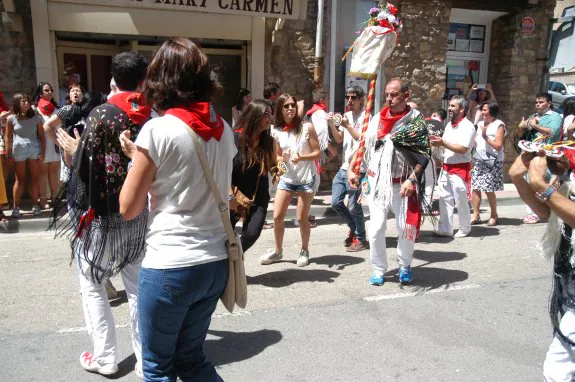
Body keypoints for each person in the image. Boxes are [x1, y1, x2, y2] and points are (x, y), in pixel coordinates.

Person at [119, 37, 233, 381]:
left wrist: (135, 162)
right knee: (193, 360)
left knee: (157, 368)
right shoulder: (224, 129)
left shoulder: (157, 130)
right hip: (214, 260)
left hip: (171, 263)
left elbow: (128, 207)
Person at [52, 51, 150, 378]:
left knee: (92, 282)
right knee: (136, 286)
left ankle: (105, 356)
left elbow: (85, 166)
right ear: (142, 80)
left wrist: (72, 151)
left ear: (114, 78)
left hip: (103, 217)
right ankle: (144, 357)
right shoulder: (150, 116)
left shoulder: (102, 114)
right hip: (137, 212)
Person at [348, 78, 431, 286]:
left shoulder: (416, 121)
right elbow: (364, 145)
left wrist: (412, 180)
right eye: (387, 94)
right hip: (377, 182)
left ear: (406, 95)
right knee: (375, 228)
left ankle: (405, 265)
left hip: (404, 183)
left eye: (394, 94)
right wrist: (352, 168)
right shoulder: (377, 119)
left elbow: (424, 155)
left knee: (405, 227)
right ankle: (378, 268)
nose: (389, 98)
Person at [508, 148, 575, 381]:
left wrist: (540, 185)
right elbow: (549, 212)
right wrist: (520, 178)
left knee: (558, 371)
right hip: (569, 287)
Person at [260, 93, 321, 267]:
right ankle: (278, 251)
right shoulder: (276, 131)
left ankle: (304, 250)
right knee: (278, 217)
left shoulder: (307, 127)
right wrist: (282, 161)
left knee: (302, 219)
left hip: (305, 179)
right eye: (286, 106)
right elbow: (277, 158)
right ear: (280, 109)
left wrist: (301, 157)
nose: (290, 109)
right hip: (287, 179)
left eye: (292, 105)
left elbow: (317, 153)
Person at [230, 100, 277, 251]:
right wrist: (230, 196)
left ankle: (233, 262)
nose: (270, 118)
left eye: (271, 114)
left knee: (251, 234)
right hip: (234, 195)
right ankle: (228, 270)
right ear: (254, 115)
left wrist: (278, 168)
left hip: (258, 196)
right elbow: (224, 169)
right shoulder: (234, 139)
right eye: (266, 114)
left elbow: (274, 165)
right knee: (223, 235)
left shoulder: (269, 142)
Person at [328, 86, 369, 252]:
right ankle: (354, 227)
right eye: (347, 97)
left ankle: (361, 238)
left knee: (354, 206)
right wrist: (332, 125)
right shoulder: (347, 116)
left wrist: (348, 126)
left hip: (359, 168)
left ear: (361, 99)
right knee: (336, 202)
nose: (349, 101)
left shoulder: (367, 117)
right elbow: (339, 139)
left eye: (353, 97)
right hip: (344, 167)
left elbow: (363, 140)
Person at [432, 95, 475, 238]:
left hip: (460, 168)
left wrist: (442, 143)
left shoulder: (468, 126)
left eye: (453, 106)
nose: (449, 109)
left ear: (462, 109)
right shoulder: (449, 125)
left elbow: (463, 148)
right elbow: (446, 144)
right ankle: (446, 228)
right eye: (449, 106)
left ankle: (465, 228)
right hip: (446, 167)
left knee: (461, 200)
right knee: (444, 199)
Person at [517, 92, 563, 224]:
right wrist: (521, 128)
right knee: (531, 183)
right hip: (531, 154)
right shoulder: (533, 116)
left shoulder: (555, 117)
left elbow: (551, 132)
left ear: (549, 103)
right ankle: (535, 211)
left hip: (546, 156)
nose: (538, 104)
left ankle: (543, 212)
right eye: (536, 102)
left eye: (541, 102)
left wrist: (535, 125)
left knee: (542, 184)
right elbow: (521, 134)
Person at [5, 93, 46, 217]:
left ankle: (35, 204)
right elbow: (8, 137)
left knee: (34, 177)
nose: (26, 103)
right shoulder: (11, 119)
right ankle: (16, 207)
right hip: (18, 150)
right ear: (17, 103)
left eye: (27, 101)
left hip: (34, 148)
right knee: (20, 179)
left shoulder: (36, 118)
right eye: (23, 101)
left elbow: (42, 136)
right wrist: (8, 154)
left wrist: (43, 152)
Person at [470, 101, 506, 227]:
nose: (483, 112)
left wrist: (485, 137)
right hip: (479, 159)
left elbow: (498, 145)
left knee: (488, 189)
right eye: (482, 109)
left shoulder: (499, 125)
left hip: (492, 161)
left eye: (485, 110)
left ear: (491, 111)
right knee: (475, 187)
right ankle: (476, 214)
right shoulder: (479, 124)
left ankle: (494, 215)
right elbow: (476, 141)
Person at [32, 82, 61, 209]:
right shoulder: (35, 110)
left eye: (50, 90)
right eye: (46, 90)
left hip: (55, 143)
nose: (49, 92)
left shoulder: (57, 109)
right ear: (40, 93)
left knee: (53, 171)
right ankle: (43, 198)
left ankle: (55, 197)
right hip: (41, 144)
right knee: (42, 172)